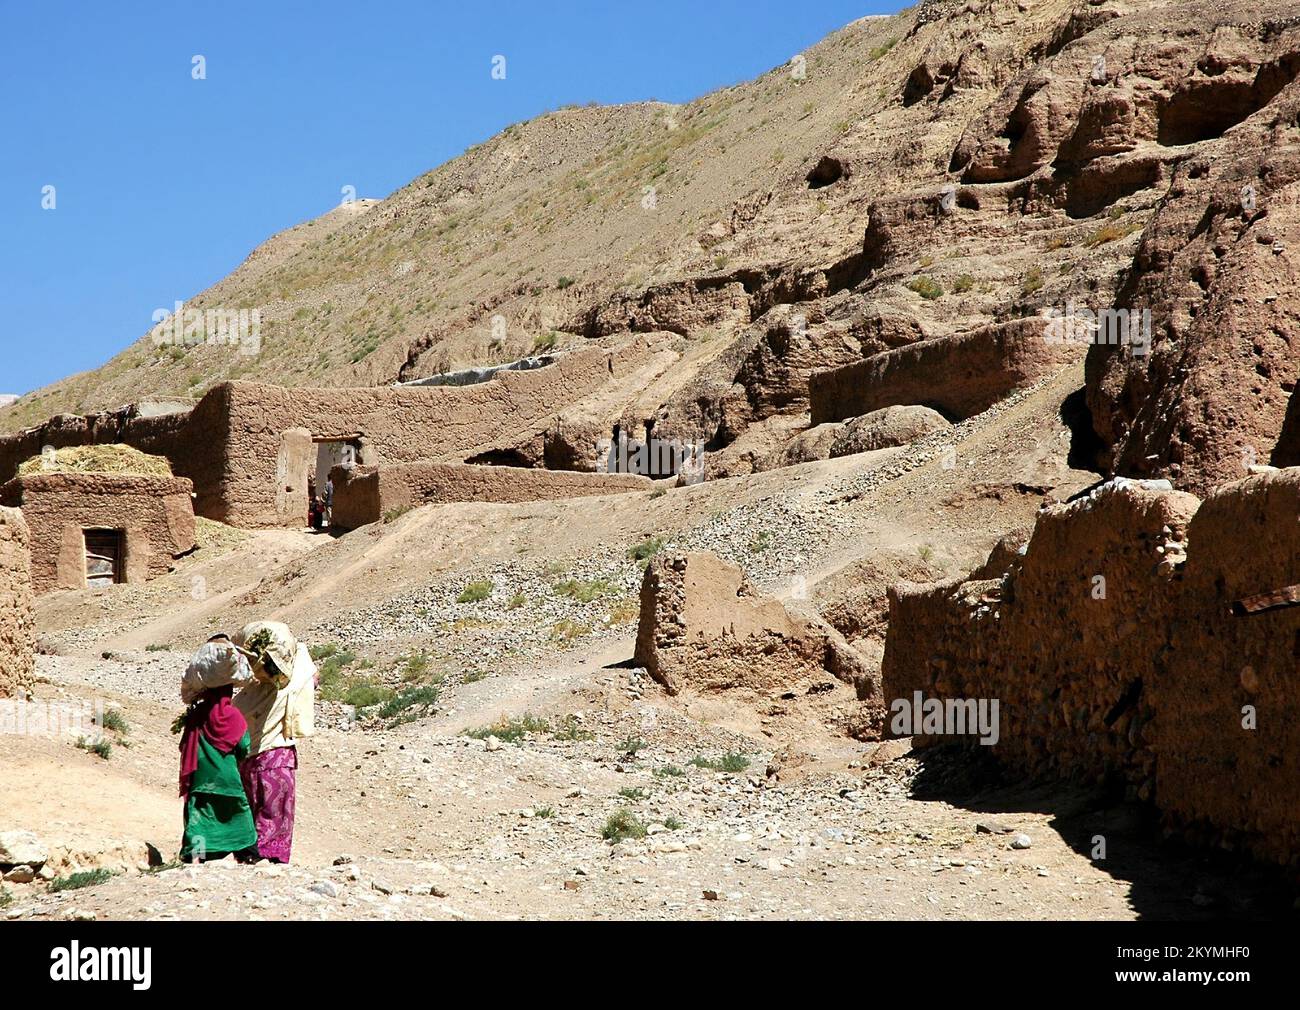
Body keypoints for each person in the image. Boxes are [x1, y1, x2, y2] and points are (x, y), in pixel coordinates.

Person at [231, 622, 317, 864]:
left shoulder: (247, 695)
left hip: (248, 762)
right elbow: (304, 658)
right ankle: (270, 861)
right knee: (275, 816)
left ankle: (250, 859)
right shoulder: (295, 681)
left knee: (253, 812)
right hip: (277, 761)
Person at [177, 635, 258, 863]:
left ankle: (199, 856)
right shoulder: (233, 715)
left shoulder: (196, 716)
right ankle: (247, 856)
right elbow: (243, 747)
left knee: (201, 816)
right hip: (228, 780)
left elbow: (185, 746)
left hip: (201, 780)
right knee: (239, 816)